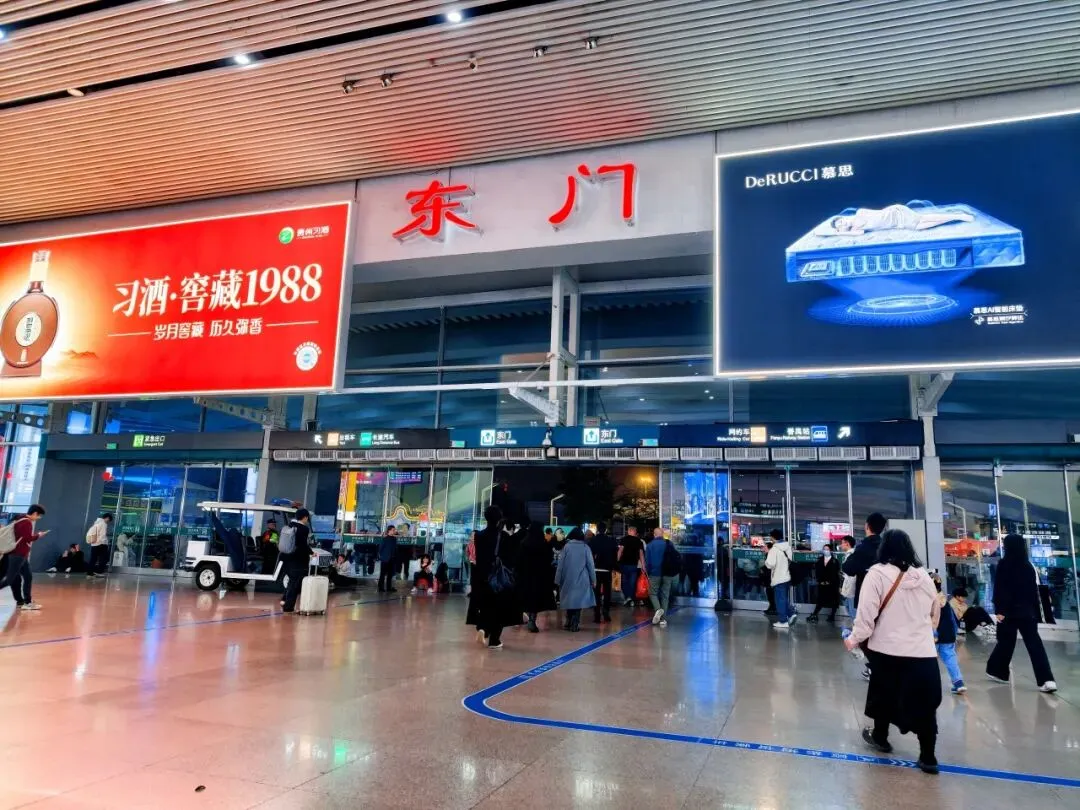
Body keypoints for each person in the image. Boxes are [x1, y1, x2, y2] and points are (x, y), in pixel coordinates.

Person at [844, 529, 942, 775]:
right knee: (925, 705)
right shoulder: (924, 576)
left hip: (887, 649)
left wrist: (854, 639)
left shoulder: (877, 574)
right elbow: (935, 612)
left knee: (884, 695)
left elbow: (866, 615)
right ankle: (928, 756)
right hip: (922, 651)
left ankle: (881, 737)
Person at [985, 534, 1057, 693]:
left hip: (1009, 612)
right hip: (1027, 612)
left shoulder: (1004, 564)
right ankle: (1047, 680)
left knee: (1005, 642)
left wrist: (999, 610)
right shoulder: (1028, 565)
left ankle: (997, 671)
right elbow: (1033, 591)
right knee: (1035, 645)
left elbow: (1000, 588)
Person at [466, 505, 522, 649]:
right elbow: (511, 558)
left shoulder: (478, 535)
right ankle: (494, 640)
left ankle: (483, 629)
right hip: (498, 578)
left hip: (482, 577)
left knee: (486, 606)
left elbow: (474, 557)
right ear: (499, 519)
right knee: (499, 610)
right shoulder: (503, 536)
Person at [1, 505, 48, 611]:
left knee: (26, 577)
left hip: (18, 554)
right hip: (18, 554)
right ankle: (25, 602)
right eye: (39, 516)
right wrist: (39, 535)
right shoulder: (26, 522)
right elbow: (27, 538)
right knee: (10, 579)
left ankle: (25, 602)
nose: (38, 518)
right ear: (35, 513)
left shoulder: (19, 518)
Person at [826, 204, 973, 235]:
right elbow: (858, 234)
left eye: (841, 221)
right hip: (898, 224)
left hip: (897, 213)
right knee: (921, 224)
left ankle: (958, 216)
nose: (844, 223)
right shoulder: (856, 230)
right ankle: (956, 217)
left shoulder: (860, 213)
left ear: (844, 218)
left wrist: (843, 229)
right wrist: (841, 232)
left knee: (922, 220)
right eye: (841, 225)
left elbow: (879, 214)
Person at [555, 527, 596, 632]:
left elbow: (560, 565)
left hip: (568, 578)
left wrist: (557, 579)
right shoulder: (585, 547)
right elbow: (590, 565)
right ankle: (575, 623)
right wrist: (593, 580)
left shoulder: (566, 547)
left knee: (570, 600)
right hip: (582, 578)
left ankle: (568, 621)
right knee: (578, 602)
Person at [518, 523, 556, 632]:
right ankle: (532, 619)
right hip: (539, 576)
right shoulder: (543, 544)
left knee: (526, 597)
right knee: (535, 599)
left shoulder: (524, 543)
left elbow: (519, 560)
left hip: (526, 576)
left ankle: (525, 616)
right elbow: (549, 560)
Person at [932, 572, 966, 695]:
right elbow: (953, 619)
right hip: (948, 634)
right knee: (950, 658)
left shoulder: (928, 599)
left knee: (928, 660)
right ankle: (958, 683)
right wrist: (954, 634)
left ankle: (928, 685)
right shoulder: (944, 600)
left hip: (933, 635)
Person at [843, 515, 887, 607]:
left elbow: (848, 568)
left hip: (865, 595)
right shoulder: (886, 547)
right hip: (884, 594)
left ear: (867, 526)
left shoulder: (863, 548)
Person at [644, 527, 680, 627]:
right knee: (665, 596)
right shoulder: (669, 543)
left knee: (652, 593)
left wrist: (648, 572)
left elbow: (647, 561)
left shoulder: (650, 545)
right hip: (667, 573)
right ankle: (663, 620)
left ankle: (658, 609)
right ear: (662, 534)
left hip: (654, 573)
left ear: (654, 535)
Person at [280, 508, 313, 614]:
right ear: (305, 517)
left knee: (291, 581)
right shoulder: (303, 529)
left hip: (286, 558)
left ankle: (284, 600)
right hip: (298, 561)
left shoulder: (289, 526)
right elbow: (302, 544)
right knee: (295, 584)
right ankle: (288, 607)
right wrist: (311, 552)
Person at [765, 529, 795, 629]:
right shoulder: (787, 547)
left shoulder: (774, 549)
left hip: (778, 578)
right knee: (783, 599)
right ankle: (791, 614)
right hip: (787, 577)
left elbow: (770, 564)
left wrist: (766, 560)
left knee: (780, 600)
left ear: (772, 537)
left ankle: (783, 621)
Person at [589, 521, 617, 623]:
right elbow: (614, 555)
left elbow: (590, 555)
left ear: (597, 529)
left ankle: (596, 614)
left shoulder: (593, 540)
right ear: (605, 530)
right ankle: (606, 612)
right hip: (607, 569)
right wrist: (614, 567)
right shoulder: (611, 540)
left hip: (595, 569)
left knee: (596, 593)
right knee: (607, 592)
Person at [808, 543, 841, 623]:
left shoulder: (835, 561)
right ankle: (815, 614)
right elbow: (817, 571)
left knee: (834, 600)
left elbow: (835, 573)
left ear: (831, 550)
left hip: (832, 584)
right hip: (822, 583)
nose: (825, 551)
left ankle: (832, 616)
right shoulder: (820, 560)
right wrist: (820, 581)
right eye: (824, 549)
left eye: (827, 549)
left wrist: (829, 581)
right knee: (820, 599)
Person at [617, 526, 645, 607]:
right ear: (635, 532)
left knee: (624, 582)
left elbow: (620, 551)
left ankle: (627, 597)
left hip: (624, 564)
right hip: (634, 565)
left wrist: (617, 561)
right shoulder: (639, 541)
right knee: (632, 582)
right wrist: (643, 566)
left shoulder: (624, 539)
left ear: (629, 531)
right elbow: (641, 554)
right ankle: (631, 597)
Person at [85, 512, 112, 578]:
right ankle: (98, 572)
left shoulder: (96, 522)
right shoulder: (103, 524)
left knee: (93, 559)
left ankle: (90, 572)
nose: (108, 521)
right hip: (101, 544)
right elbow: (102, 535)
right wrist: (105, 542)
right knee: (104, 558)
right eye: (109, 520)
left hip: (94, 544)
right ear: (107, 518)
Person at [838, 535, 857, 619]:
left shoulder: (852, 555)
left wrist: (847, 590)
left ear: (847, 543)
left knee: (852, 611)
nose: (841, 545)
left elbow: (851, 575)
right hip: (848, 587)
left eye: (842, 543)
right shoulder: (848, 555)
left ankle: (855, 627)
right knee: (849, 608)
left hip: (851, 588)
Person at [378, 525, 398, 593]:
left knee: (390, 574)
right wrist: (382, 557)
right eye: (393, 530)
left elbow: (395, 549)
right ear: (389, 530)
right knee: (382, 574)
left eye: (394, 530)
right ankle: (380, 588)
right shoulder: (385, 539)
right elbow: (380, 549)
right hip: (385, 559)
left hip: (392, 559)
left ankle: (389, 587)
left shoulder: (394, 539)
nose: (394, 531)